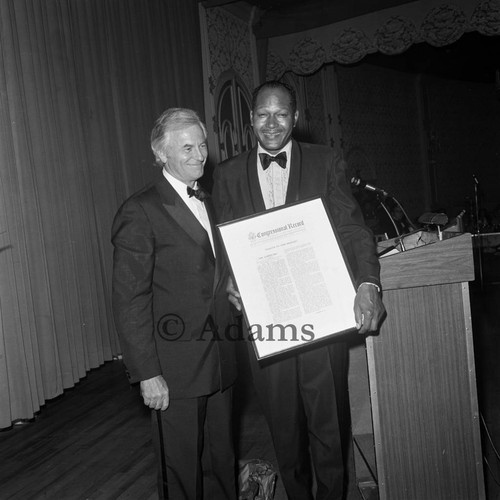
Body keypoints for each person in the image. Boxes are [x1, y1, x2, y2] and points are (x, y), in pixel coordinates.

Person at [212, 81, 385, 500]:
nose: (271, 124)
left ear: (296, 117)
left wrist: (367, 284)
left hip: (320, 316)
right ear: (250, 119)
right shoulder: (228, 173)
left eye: (281, 114)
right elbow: (222, 244)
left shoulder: (325, 161)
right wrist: (230, 280)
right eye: (262, 115)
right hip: (266, 323)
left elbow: (351, 228)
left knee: (328, 425)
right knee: (283, 427)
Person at [111, 108, 237, 499]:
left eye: (202, 144)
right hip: (175, 370)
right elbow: (129, 300)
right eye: (187, 147)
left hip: (221, 362)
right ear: (161, 154)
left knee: (223, 466)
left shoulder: (209, 200)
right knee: (181, 474)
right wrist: (147, 373)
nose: (199, 154)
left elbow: (213, 272)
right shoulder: (140, 211)